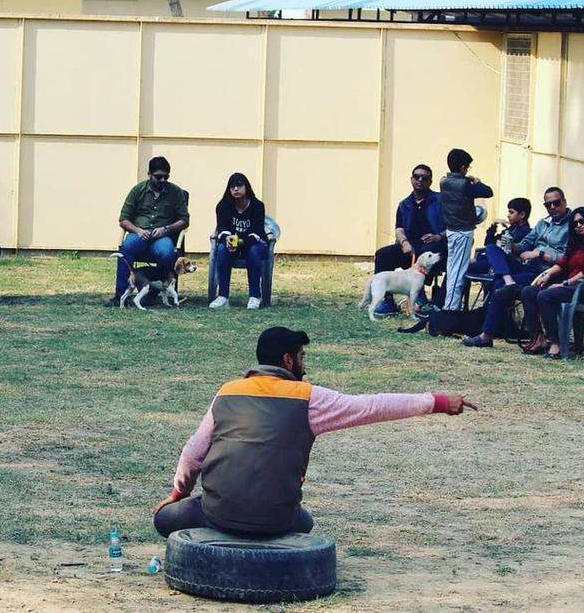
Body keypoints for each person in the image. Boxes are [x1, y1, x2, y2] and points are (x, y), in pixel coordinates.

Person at [152, 327, 476, 538]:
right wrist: (437, 401)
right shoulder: (309, 398)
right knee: (303, 523)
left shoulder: (228, 391)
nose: (305, 366)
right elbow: (372, 406)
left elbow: (193, 453)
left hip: (217, 514)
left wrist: (178, 494)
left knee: (165, 519)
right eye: (302, 358)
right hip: (274, 519)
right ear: (288, 360)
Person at [462, 188, 572, 348]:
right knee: (493, 248)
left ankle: (486, 335)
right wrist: (511, 244)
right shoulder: (543, 223)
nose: (552, 207)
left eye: (556, 203)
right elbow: (523, 247)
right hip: (527, 268)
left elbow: (570, 257)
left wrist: (540, 254)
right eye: (548, 205)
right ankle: (509, 281)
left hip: (548, 272)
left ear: (564, 202)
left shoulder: (573, 225)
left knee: (499, 284)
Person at [519, 207, 584, 360]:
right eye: (575, 223)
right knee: (529, 291)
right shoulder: (576, 241)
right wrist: (547, 275)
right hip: (571, 285)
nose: (579, 226)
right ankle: (538, 337)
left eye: (583, 221)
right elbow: (563, 263)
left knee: (545, 296)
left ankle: (555, 342)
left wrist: (564, 284)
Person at [105, 156, 190, 307]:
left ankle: (153, 291)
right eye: (158, 177)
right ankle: (120, 295)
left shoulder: (175, 192)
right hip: (139, 233)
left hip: (162, 235)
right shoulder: (138, 191)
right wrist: (137, 230)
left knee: (167, 253)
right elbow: (123, 219)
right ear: (149, 174)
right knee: (126, 249)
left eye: (166, 176)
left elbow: (184, 220)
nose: (163, 180)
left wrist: (166, 229)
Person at [371, 165, 447, 316]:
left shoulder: (440, 200)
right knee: (382, 255)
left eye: (424, 178)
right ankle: (387, 301)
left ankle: (420, 294)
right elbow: (399, 229)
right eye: (417, 176)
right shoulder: (404, 204)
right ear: (411, 179)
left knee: (426, 252)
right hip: (410, 245)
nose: (420, 180)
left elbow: (453, 225)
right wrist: (404, 242)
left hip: (434, 245)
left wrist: (439, 236)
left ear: (430, 181)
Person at [439, 148, 493, 311]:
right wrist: (476, 181)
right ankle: (451, 308)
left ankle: (448, 305)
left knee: (452, 269)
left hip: (451, 230)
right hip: (463, 232)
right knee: (459, 272)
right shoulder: (466, 185)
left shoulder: (444, 181)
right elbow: (487, 192)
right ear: (463, 167)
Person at [208, 172, 271, 310]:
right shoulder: (223, 206)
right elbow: (222, 228)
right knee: (222, 249)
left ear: (246, 187)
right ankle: (223, 297)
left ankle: (255, 296)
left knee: (253, 251)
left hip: (255, 244)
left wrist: (241, 242)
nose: (236, 189)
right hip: (232, 245)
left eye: (239, 186)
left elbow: (257, 232)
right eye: (232, 187)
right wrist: (228, 239)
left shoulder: (257, 206)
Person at [467, 198, 532, 277]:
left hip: (501, 264)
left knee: (464, 269)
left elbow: (510, 251)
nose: (508, 215)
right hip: (489, 258)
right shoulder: (511, 228)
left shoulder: (526, 232)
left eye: (511, 212)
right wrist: (494, 226)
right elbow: (489, 243)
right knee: (461, 266)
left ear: (522, 215)